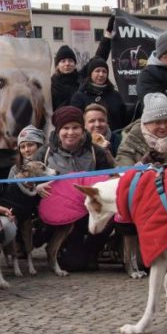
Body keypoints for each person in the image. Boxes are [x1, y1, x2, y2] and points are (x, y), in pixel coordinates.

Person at [37, 105, 115, 272]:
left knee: (111, 216)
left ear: (82, 129)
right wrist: (36, 186)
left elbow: (109, 180)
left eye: (75, 128)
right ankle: (59, 249)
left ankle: (92, 252)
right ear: (58, 130)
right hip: (60, 212)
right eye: (65, 128)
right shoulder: (45, 153)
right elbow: (23, 176)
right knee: (74, 264)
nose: (70, 132)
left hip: (89, 209)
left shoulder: (96, 152)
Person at [115, 93, 167, 166]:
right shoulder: (130, 143)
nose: (163, 126)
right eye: (157, 122)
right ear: (146, 123)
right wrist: (141, 167)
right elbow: (124, 176)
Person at [70, 58, 128, 132]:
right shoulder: (79, 97)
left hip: (115, 139)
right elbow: (76, 121)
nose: (101, 74)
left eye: (104, 71)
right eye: (97, 71)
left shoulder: (115, 95)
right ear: (90, 73)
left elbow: (124, 120)